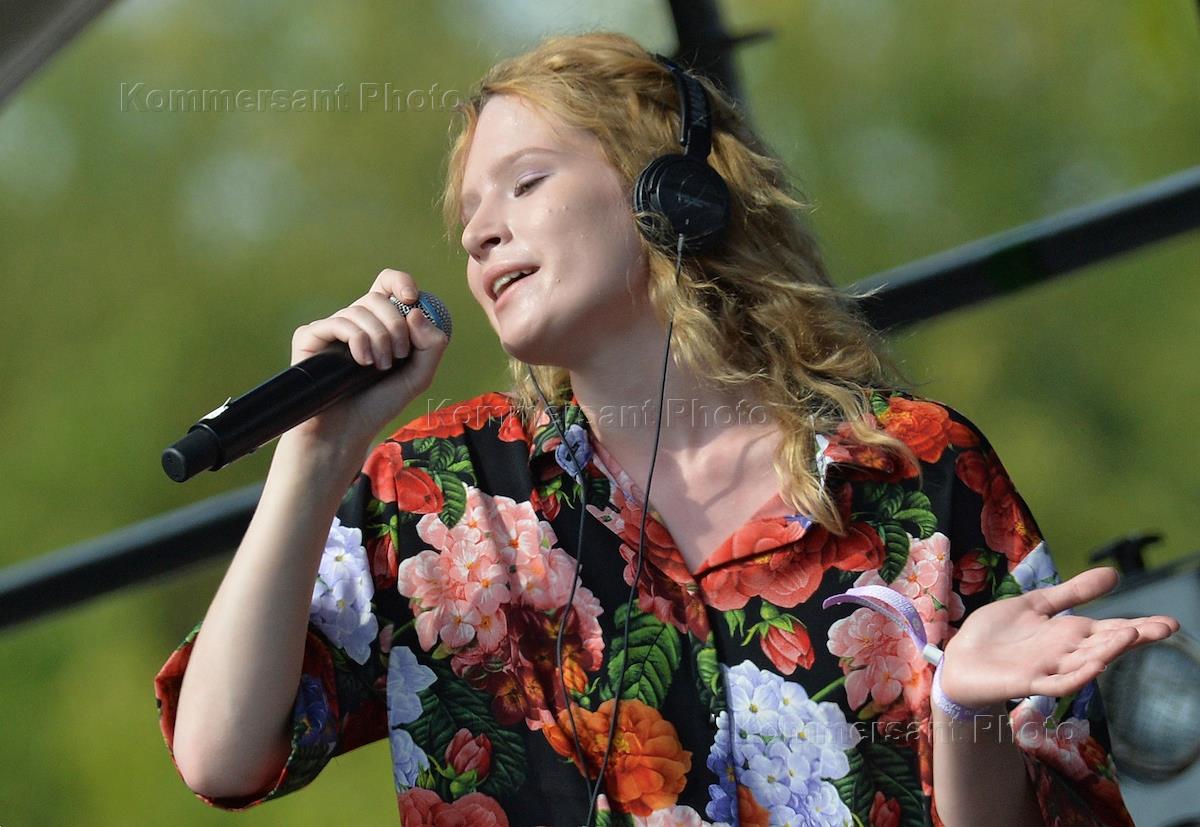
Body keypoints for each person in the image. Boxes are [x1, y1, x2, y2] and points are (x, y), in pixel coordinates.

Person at [155, 32, 1179, 827]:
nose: (480, 230)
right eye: (468, 214)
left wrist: (965, 711)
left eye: (526, 181)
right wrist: (315, 455)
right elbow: (221, 751)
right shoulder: (440, 492)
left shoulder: (912, 468)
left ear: (668, 195)